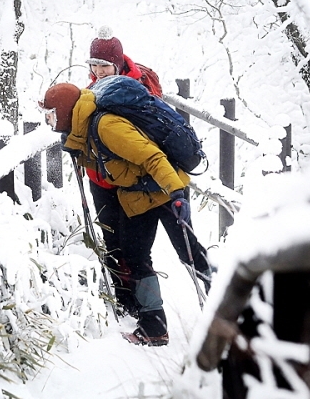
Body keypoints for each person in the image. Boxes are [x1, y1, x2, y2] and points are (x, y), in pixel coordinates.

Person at [41, 81, 196, 346]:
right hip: (138, 195)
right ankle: (154, 327)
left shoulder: (106, 126)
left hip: (166, 190)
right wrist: (78, 150)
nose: (48, 121)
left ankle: (230, 306)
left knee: (189, 252)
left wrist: (177, 194)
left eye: (51, 115)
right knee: (135, 256)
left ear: (65, 111)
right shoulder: (83, 129)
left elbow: (153, 157)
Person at [82, 28, 210, 316]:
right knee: (125, 249)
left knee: (182, 247)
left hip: (155, 181)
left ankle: (224, 303)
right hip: (122, 184)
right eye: (94, 64)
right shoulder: (94, 93)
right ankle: (136, 309)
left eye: (104, 65)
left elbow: (141, 144)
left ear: (116, 63)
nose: (99, 71)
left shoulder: (131, 91)